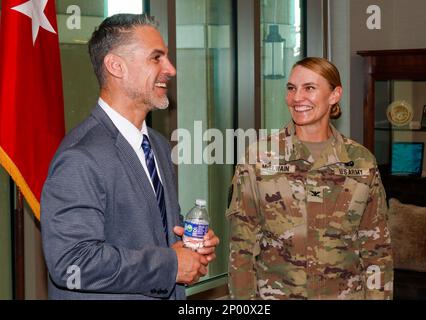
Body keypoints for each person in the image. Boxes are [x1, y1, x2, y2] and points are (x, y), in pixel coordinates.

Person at [40, 14, 219, 300]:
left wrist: (190, 239)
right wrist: (171, 265)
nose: (170, 69)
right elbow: (72, 264)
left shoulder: (157, 145)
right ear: (116, 66)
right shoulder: (80, 157)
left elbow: (147, 226)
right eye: (156, 58)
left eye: (167, 58)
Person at [226, 57, 393, 300]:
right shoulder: (259, 158)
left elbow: (377, 250)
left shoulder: (360, 161)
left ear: (334, 95)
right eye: (292, 88)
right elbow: (241, 248)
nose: (297, 98)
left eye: (309, 88)